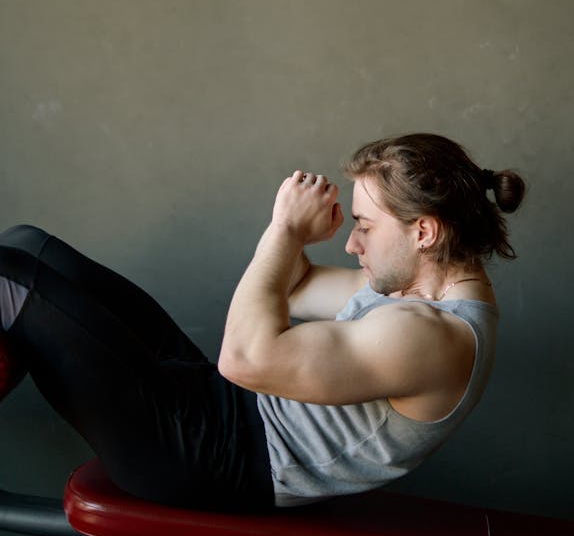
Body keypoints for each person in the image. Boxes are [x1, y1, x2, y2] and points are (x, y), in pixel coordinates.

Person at [0, 132, 525, 513]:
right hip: (217, 410)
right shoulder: (411, 297)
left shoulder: (430, 337)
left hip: (211, 457)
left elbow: (243, 358)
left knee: (10, 278)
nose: (352, 243)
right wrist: (295, 234)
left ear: (425, 232)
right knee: (29, 245)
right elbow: (291, 286)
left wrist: (284, 230)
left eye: (365, 226)